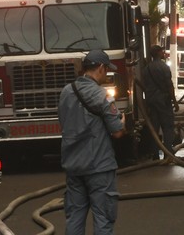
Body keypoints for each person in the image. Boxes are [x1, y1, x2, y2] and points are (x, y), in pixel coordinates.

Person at [58, 50, 125, 235]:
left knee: (74, 217)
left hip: (73, 166)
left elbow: (64, 124)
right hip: (99, 167)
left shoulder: (66, 92)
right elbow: (117, 132)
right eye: (107, 70)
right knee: (103, 218)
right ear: (101, 68)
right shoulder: (101, 95)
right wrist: (123, 122)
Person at [142, 45, 178, 156]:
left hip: (151, 101)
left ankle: (154, 154)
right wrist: (174, 101)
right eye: (162, 51)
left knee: (154, 128)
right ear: (158, 53)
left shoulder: (146, 69)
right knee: (167, 126)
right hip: (163, 101)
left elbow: (145, 86)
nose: (164, 53)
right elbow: (169, 86)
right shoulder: (164, 67)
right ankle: (168, 152)